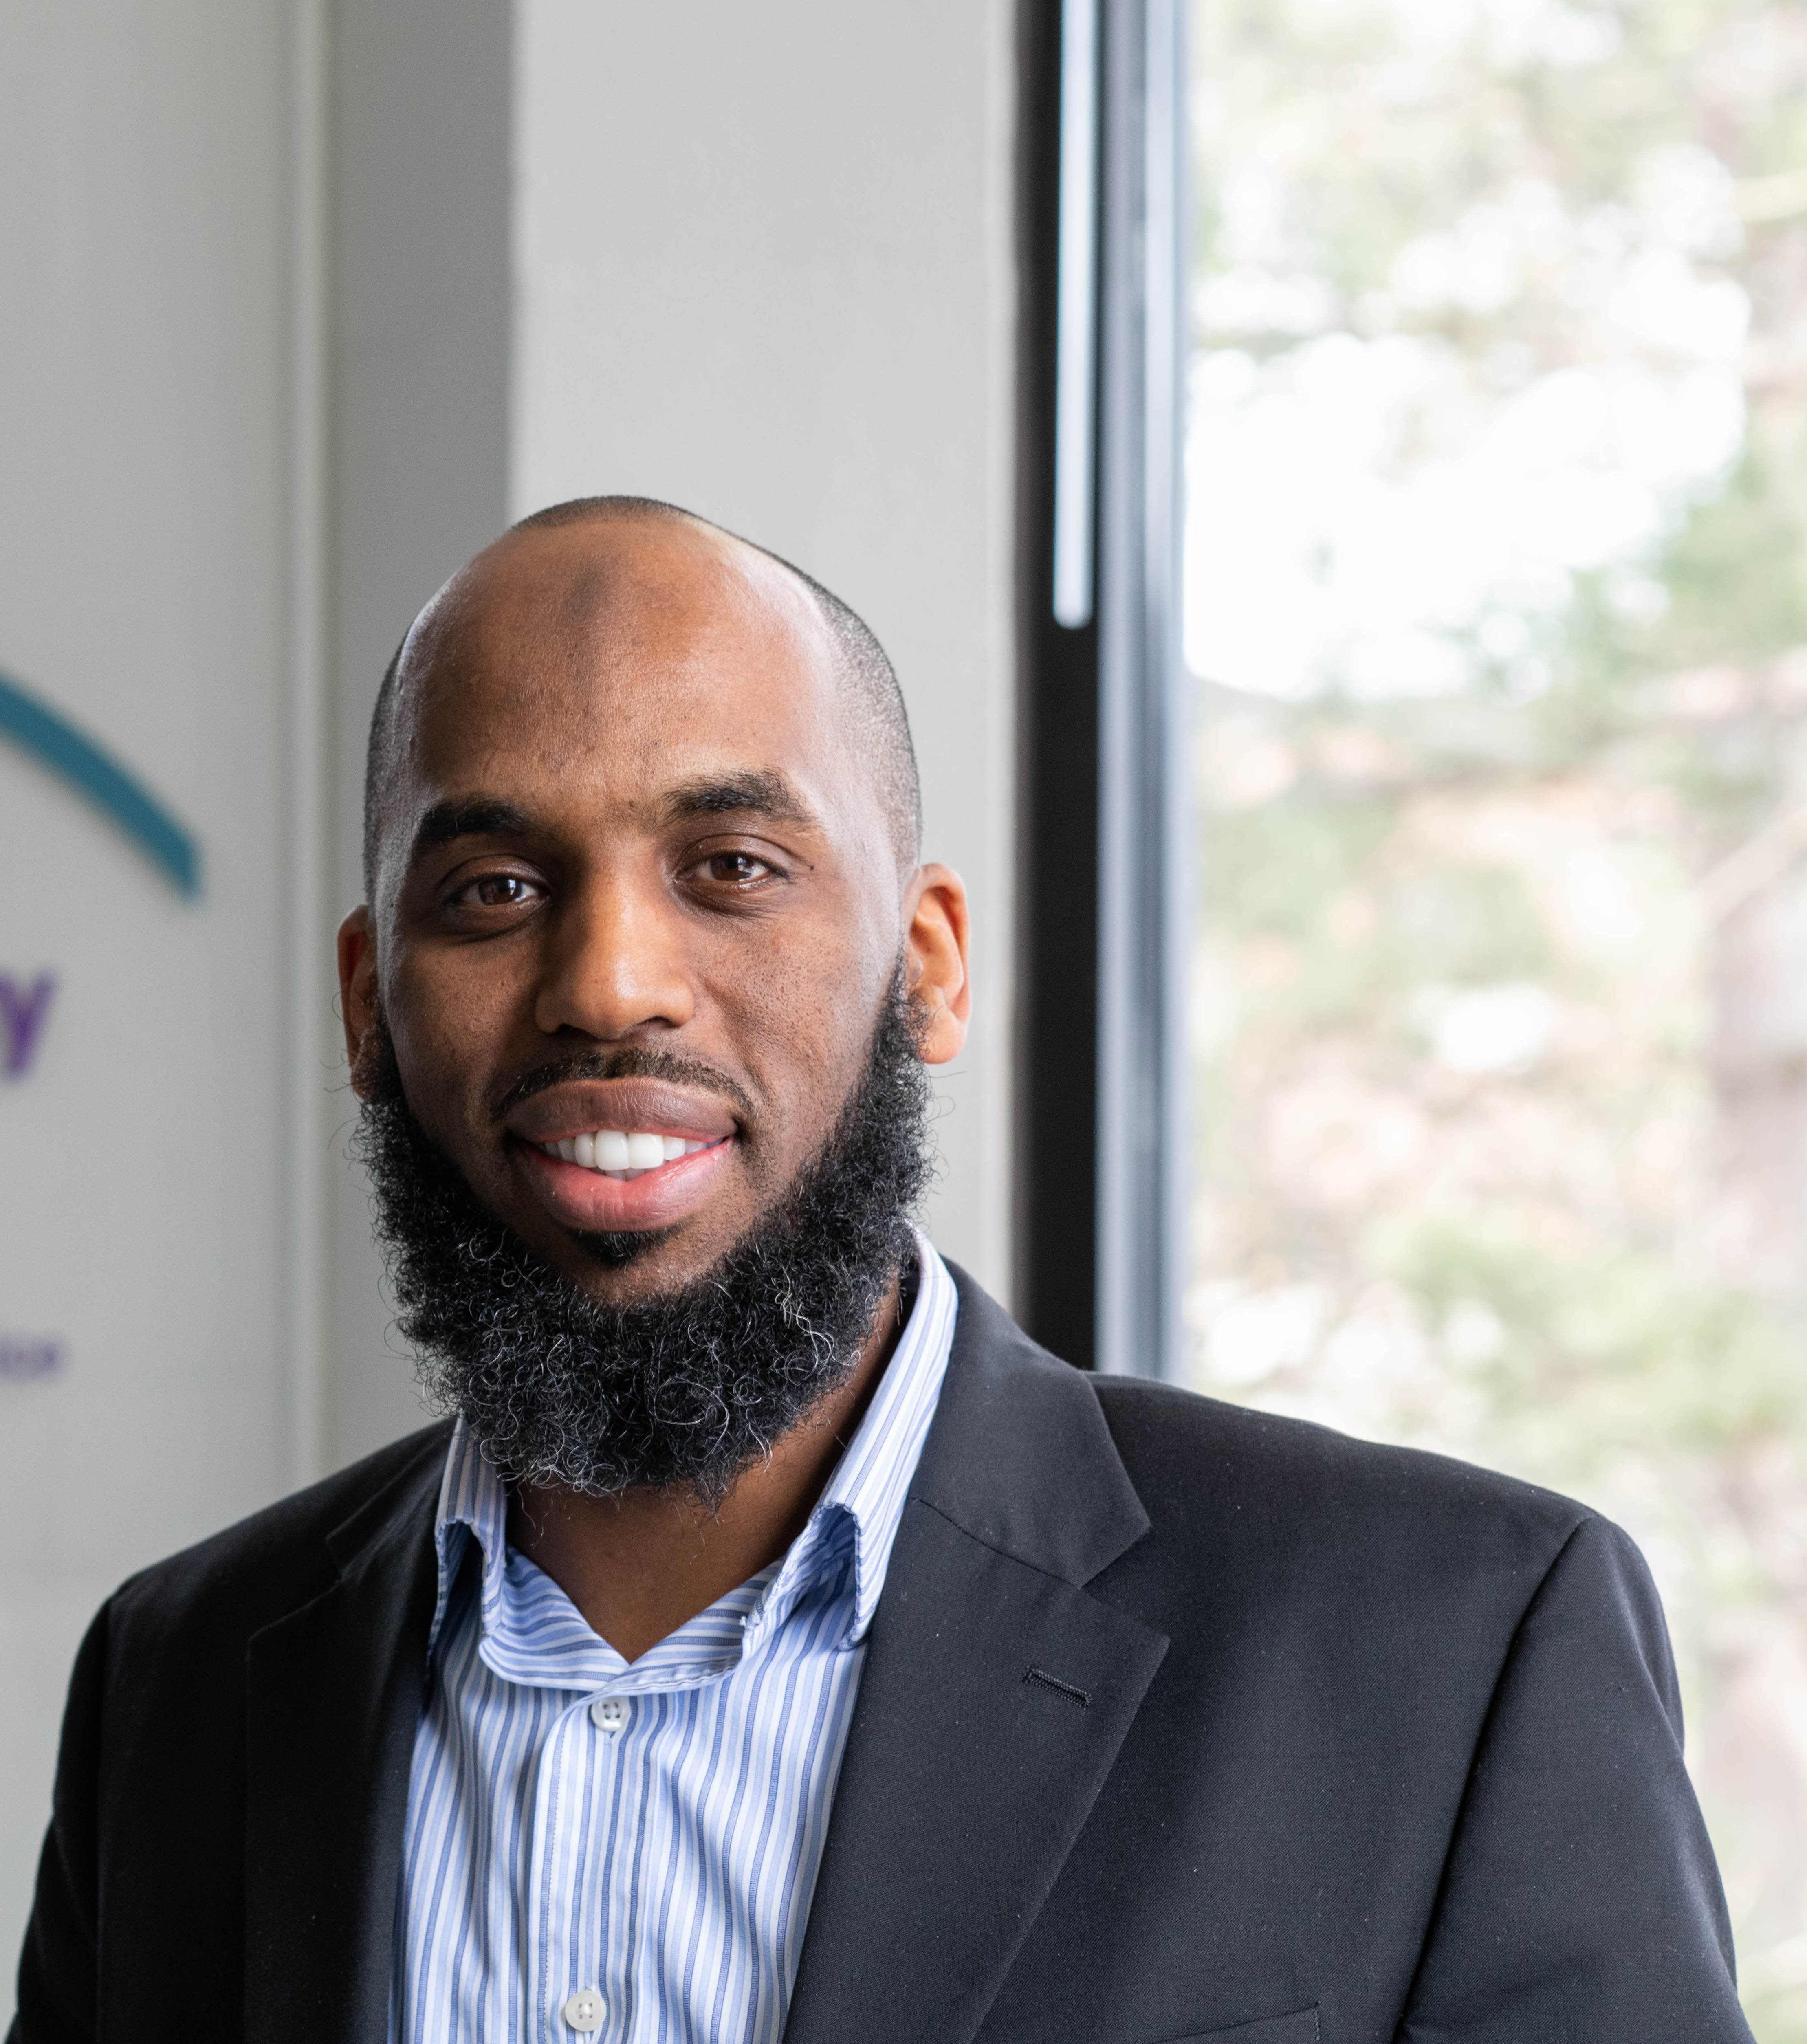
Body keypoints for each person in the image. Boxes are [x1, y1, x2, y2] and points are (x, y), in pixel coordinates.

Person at [11, 499, 1754, 2044]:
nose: (611, 979)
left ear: (923, 964)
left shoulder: (1445, 1648)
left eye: (732, 868)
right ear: (365, 1006)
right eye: (493, 886)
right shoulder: (182, 1686)